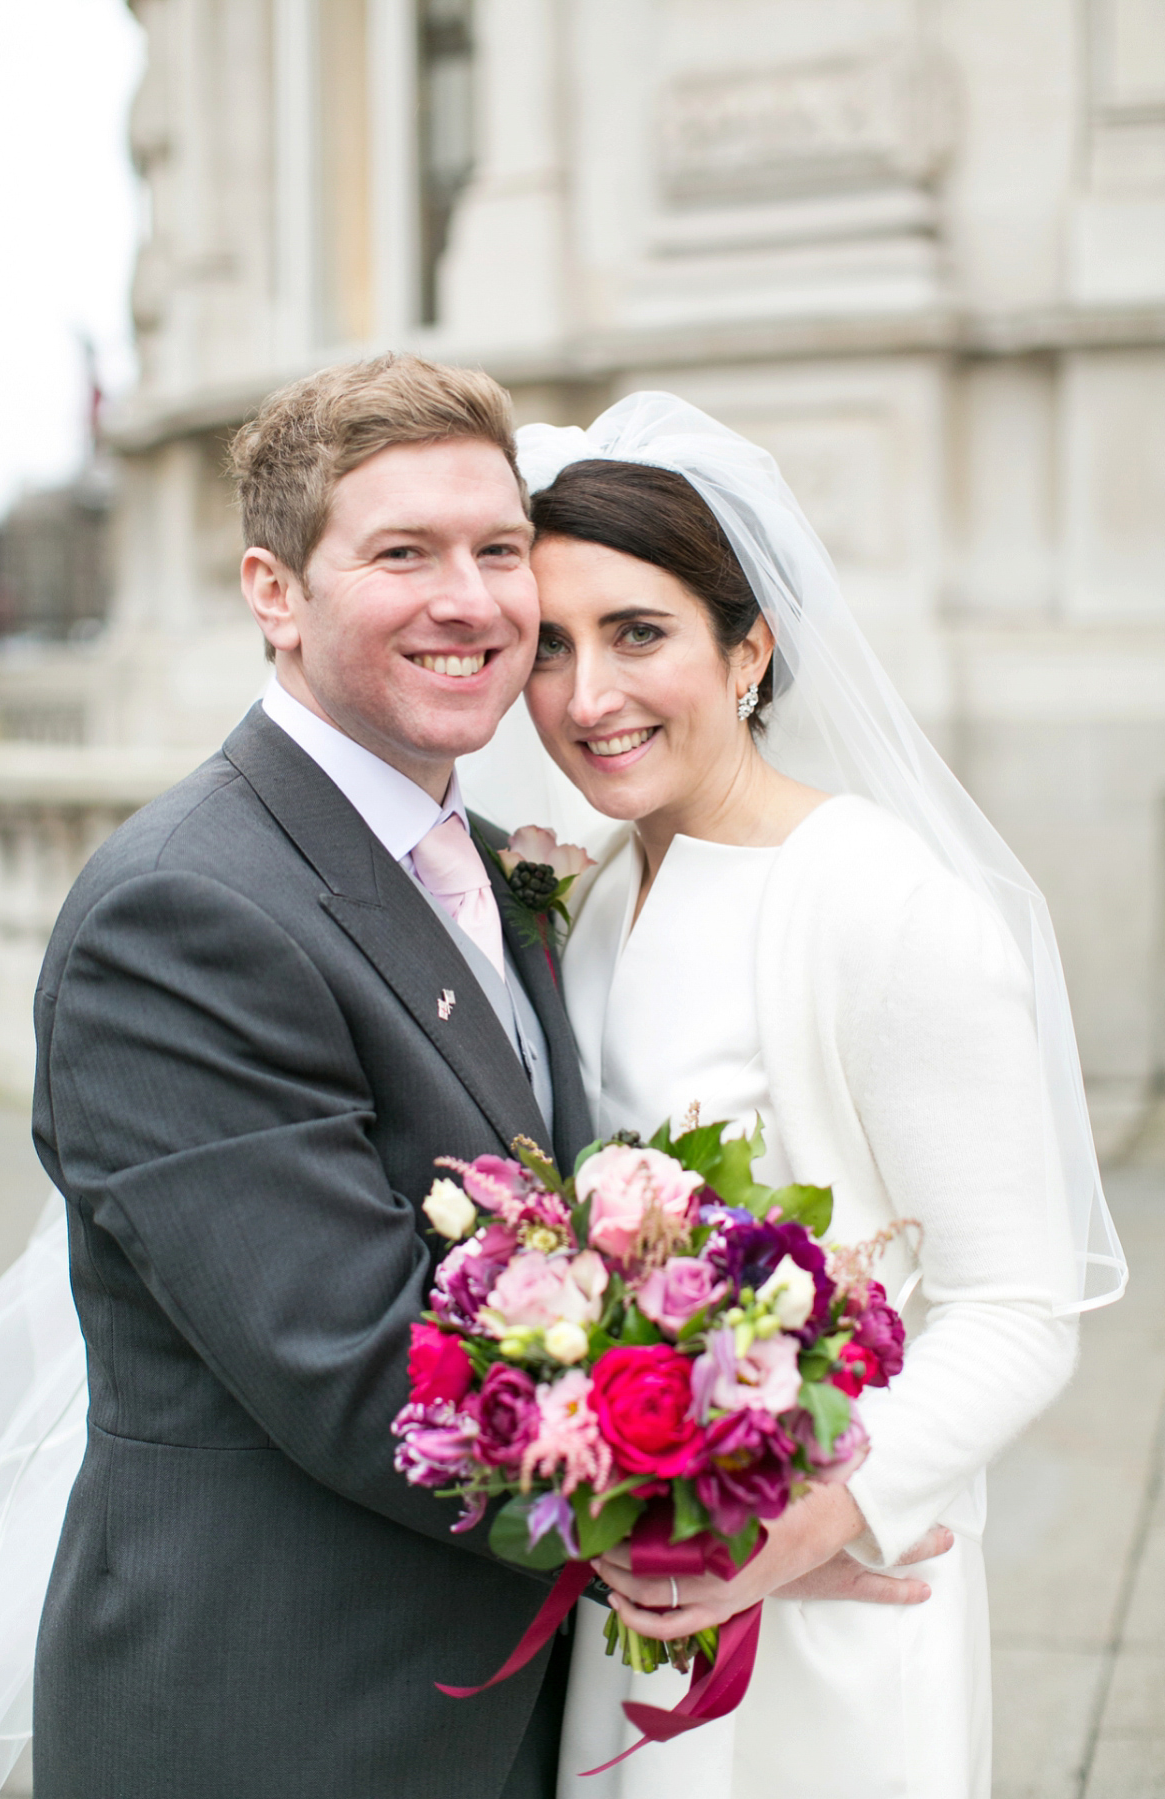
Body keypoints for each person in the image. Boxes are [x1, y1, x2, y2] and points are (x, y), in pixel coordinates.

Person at [479, 395, 1128, 1798]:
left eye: (637, 633)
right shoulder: (588, 898)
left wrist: (810, 1526)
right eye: (547, 647)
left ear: (750, 644)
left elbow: (1021, 1309)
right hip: (637, 1588)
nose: (587, 697)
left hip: (822, 1626)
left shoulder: (885, 910)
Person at [26, 353, 596, 1799]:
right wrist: (726, 1499)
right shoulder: (188, 911)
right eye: (402, 552)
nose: (470, 600)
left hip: (491, 1706)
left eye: (499, 549)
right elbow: (362, 1376)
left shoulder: (479, 854)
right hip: (283, 1714)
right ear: (275, 593)